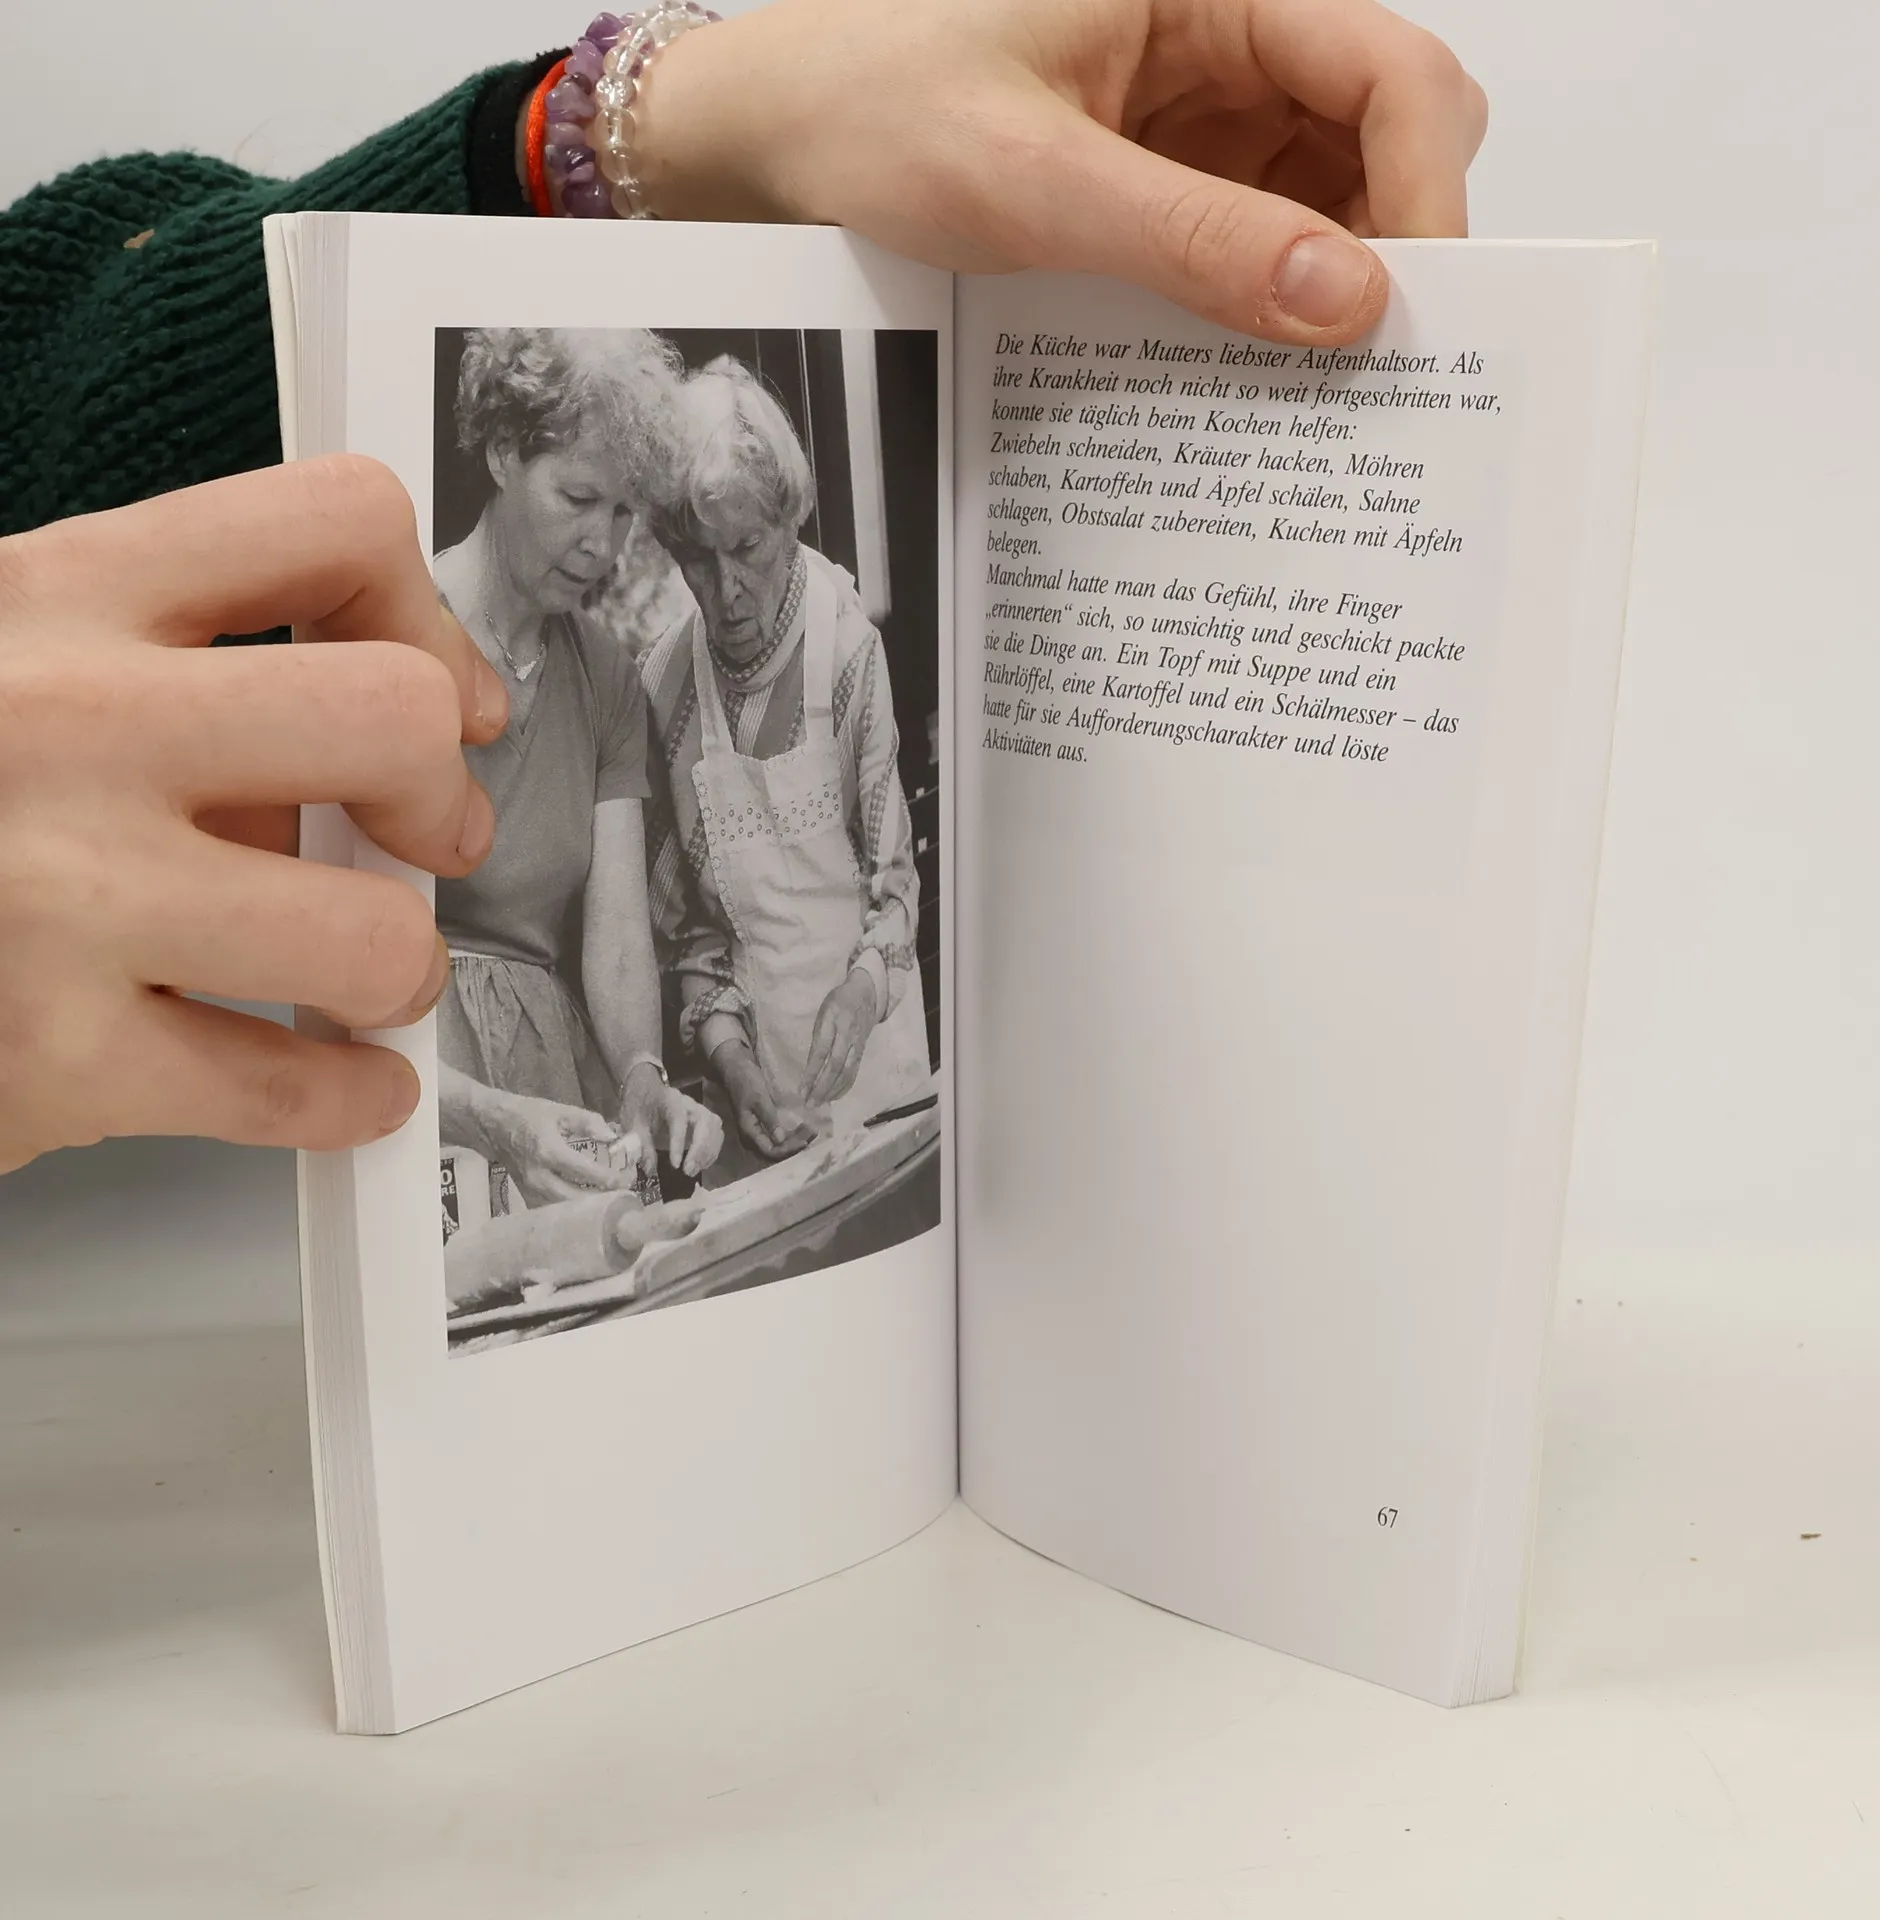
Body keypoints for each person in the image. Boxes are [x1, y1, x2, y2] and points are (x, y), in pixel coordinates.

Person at [0, 0, 1486, 1174]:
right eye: (659, 535)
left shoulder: (759, 653)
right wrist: (715, 1050)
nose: (690, 577)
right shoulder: (645, 666)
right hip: (542, 1092)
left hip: (849, 1055)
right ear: (502, 456)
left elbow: (782, 894)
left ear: (794, 518)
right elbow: (687, 921)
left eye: (715, 538)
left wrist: (665, 1066)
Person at [432, 327, 723, 1200]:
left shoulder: (606, 679)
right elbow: (354, 979)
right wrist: (487, 1118)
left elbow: (618, 934)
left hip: (554, 1072)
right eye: (579, 497)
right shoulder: (399, 636)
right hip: (429, 1082)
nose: (605, 545)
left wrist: (641, 1077)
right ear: (502, 450)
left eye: (625, 512)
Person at [645, 359, 931, 1178]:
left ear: (787, 520)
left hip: (881, 1059)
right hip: (759, 1103)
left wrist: (863, 990)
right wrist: (737, 1071)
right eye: (698, 560)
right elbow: (692, 939)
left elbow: (894, 888)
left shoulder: (846, 650)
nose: (727, 590)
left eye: (747, 548)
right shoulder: (666, 690)